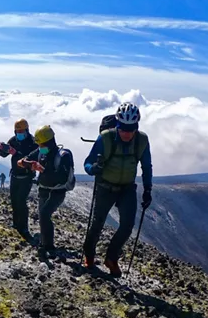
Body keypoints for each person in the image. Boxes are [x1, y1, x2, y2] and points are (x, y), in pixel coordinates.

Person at [82, 102, 153, 277]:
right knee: (97, 223)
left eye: (131, 129)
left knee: (127, 226)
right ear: (117, 126)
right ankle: (89, 254)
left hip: (127, 188)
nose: (127, 134)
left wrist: (147, 189)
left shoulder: (142, 140)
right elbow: (87, 163)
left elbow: (146, 166)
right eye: (123, 129)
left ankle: (111, 258)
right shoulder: (105, 138)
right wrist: (93, 169)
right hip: (105, 187)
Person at [21, 125, 75, 258]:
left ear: (50, 141)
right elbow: (24, 159)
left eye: (42, 144)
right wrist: (26, 163)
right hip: (43, 189)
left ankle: (48, 246)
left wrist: (42, 170)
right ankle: (46, 244)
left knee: (44, 214)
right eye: (39, 144)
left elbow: (61, 178)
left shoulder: (63, 156)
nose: (40, 146)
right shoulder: (40, 152)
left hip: (57, 192)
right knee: (42, 216)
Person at [0, 119, 39, 243]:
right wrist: (3, 149)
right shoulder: (13, 140)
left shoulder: (33, 143)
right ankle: (16, 224)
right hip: (15, 175)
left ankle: (24, 228)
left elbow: (29, 158)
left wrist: (15, 152)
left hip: (27, 177)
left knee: (21, 201)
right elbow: (4, 154)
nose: (19, 133)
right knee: (14, 201)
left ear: (27, 130)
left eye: (21, 131)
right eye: (17, 131)